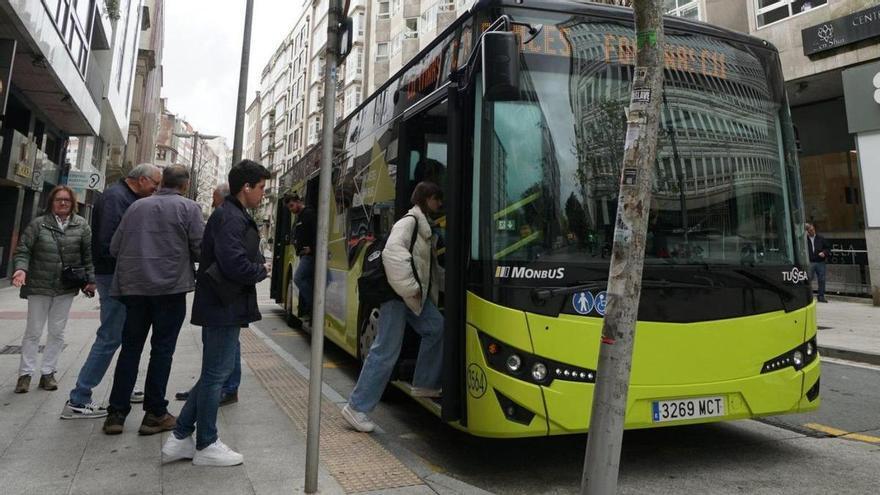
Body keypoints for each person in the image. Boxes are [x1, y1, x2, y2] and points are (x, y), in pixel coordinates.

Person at [162, 160, 271, 467]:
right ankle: (206, 443)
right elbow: (234, 264)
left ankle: (180, 437)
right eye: (261, 188)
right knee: (215, 376)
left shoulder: (233, 215)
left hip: (225, 304)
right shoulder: (230, 217)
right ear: (246, 187)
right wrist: (260, 270)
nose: (263, 194)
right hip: (223, 305)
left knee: (214, 374)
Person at [102, 165, 204, 435]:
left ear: (161, 183)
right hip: (170, 291)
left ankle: (116, 413)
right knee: (162, 350)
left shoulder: (136, 207)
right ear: (185, 184)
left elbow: (114, 247)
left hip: (134, 289)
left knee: (130, 348)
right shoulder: (189, 208)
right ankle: (155, 413)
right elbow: (200, 249)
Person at [342, 181, 445, 433]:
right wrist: (411, 289)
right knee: (385, 350)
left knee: (436, 327)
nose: (440, 204)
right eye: (437, 199)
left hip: (410, 297)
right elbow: (392, 256)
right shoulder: (409, 222)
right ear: (427, 199)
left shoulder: (422, 225)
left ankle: (425, 384)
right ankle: (356, 408)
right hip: (398, 296)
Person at [60, 163, 161, 419]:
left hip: (117, 275)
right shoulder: (116, 198)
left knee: (125, 335)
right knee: (110, 337)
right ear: (140, 180)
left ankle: (123, 387)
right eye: (155, 184)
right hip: (114, 276)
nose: (156, 189)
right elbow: (108, 243)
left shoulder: (124, 196)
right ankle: (79, 398)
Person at [12, 186, 96, 394]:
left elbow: (88, 256)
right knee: (33, 331)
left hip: (65, 288)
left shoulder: (81, 226)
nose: (63, 203)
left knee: (57, 332)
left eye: (67, 200)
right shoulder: (38, 225)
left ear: (72, 203)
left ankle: (48, 373)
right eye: (59, 199)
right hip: (39, 285)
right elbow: (23, 250)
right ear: (51, 202)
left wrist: (90, 280)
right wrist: (20, 270)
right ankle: (25, 374)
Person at [176, 182, 240, 407]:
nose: (211, 202)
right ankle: (209, 388)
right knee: (219, 346)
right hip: (216, 293)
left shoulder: (227, 218)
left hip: (221, 294)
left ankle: (224, 388)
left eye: (214, 197)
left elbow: (232, 259)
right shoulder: (224, 216)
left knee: (223, 347)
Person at [284, 193, 316, 323]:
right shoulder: (299, 216)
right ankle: (308, 309)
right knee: (304, 280)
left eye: (292, 205)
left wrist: (312, 249)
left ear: (298, 201)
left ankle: (313, 305)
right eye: (289, 208)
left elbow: (317, 232)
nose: (291, 209)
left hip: (309, 256)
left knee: (298, 278)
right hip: (303, 255)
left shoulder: (308, 214)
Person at [806, 222, 830, 303]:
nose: (811, 231)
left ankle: (821, 296)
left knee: (822, 279)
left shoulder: (821, 238)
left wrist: (824, 253)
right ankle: (808, 296)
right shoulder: (805, 239)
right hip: (810, 262)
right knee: (808, 279)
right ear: (807, 231)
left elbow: (828, 249)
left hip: (820, 262)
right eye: (809, 230)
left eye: (812, 230)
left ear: (814, 229)